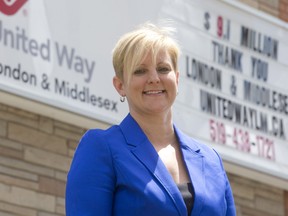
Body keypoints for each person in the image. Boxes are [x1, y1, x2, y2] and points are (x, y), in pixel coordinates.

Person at [65, 22, 236, 216]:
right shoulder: (101, 147)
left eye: (163, 69)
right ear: (120, 85)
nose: (154, 78)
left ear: (177, 79)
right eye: (140, 71)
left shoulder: (211, 160)